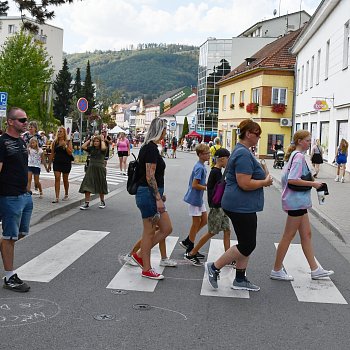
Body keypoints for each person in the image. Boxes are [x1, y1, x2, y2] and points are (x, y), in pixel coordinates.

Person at [205, 119, 272, 292]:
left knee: (246, 242)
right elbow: (244, 183)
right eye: (257, 134)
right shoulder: (243, 153)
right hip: (240, 205)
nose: (259, 138)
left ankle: (240, 279)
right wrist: (264, 182)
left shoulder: (241, 150)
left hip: (241, 204)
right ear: (248, 134)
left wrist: (263, 174)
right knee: (247, 244)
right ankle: (214, 267)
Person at [270, 130, 334, 281]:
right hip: (296, 202)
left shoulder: (295, 155)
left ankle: (315, 269)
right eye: (307, 140)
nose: (309, 143)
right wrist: (314, 184)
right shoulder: (298, 157)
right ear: (299, 141)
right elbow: (293, 179)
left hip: (299, 202)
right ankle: (277, 270)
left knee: (307, 235)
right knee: (288, 236)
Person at [131, 118, 173, 280]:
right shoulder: (151, 149)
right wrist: (158, 198)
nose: (165, 132)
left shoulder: (150, 148)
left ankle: (141, 255)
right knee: (149, 232)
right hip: (148, 195)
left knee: (166, 228)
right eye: (164, 130)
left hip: (151, 194)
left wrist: (159, 194)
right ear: (159, 130)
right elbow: (150, 176)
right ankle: (146, 268)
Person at [0, 107, 32, 292]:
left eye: (25, 119)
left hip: (24, 196)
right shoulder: (2, 143)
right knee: (10, 237)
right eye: (21, 120)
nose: (25, 122)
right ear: (11, 122)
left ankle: (5, 250)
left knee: (21, 233)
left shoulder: (21, 141)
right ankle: (9, 277)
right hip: (10, 196)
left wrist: (28, 190)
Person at [185, 148, 232, 266]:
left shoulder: (217, 171)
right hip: (217, 207)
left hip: (221, 206)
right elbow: (216, 190)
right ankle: (191, 253)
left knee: (227, 231)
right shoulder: (215, 172)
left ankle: (228, 258)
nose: (228, 161)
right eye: (228, 159)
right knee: (211, 232)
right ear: (222, 159)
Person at [180, 143, 210, 264]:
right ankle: (190, 249)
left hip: (198, 199)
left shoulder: (201, 166)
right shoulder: (199, 167)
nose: (209, 155)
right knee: (195, 223)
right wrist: (207, 188)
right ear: (200, 155)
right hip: (194, 199)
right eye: (207, 153)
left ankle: (188, 240)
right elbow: (194, 185)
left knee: (204, 220)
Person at [79, 135, 108, 210]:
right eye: (95, 141)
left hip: (100, 168)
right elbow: (82, 147)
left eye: (97, 141)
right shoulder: (91, 148)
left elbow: (104, 148)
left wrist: (102, 140)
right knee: (87, 184)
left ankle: (102, 201)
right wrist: (90, 140)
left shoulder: (103, 149)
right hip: (91, 168)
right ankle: (86, 203)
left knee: (101, 184)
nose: (96, 142)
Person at [47, 126, 73, 203]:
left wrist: (65, 145)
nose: (59, 133)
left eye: (61, 131)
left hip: (66, 162)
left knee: (65, 179)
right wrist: (49, 164)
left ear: (64, 133)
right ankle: (57, 197)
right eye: (58, 131)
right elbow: (52, 154)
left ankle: (66, 194)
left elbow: (70, 152)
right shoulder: (55, 142)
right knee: (57, 178)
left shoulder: (68, 141)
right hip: (57, 162)